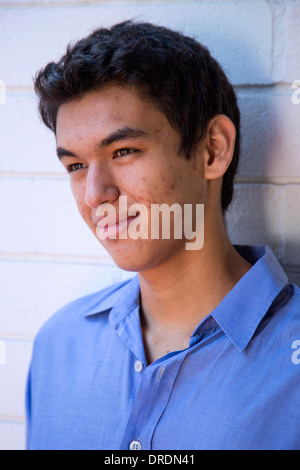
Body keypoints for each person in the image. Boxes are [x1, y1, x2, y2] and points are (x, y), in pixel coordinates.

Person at [26, 20, 300, 450]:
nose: (96, 195)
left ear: (212, 149)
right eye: (76, 165)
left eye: (124, 151)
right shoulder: (59, 346)